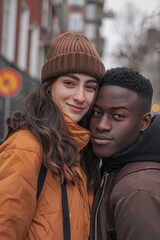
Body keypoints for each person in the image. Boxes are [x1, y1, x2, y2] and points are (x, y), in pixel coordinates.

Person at [0, 32, 106, 240]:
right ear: (50, 87)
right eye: (70, 83)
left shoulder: (81, 151)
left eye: (90, 87)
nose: (80, 96)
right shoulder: (27, 148)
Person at [87, 67, 160, 240]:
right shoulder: (113, 167)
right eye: (97, 112)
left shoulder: (138, 191)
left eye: (118, 116)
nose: (102, 125)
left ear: (144, 122)